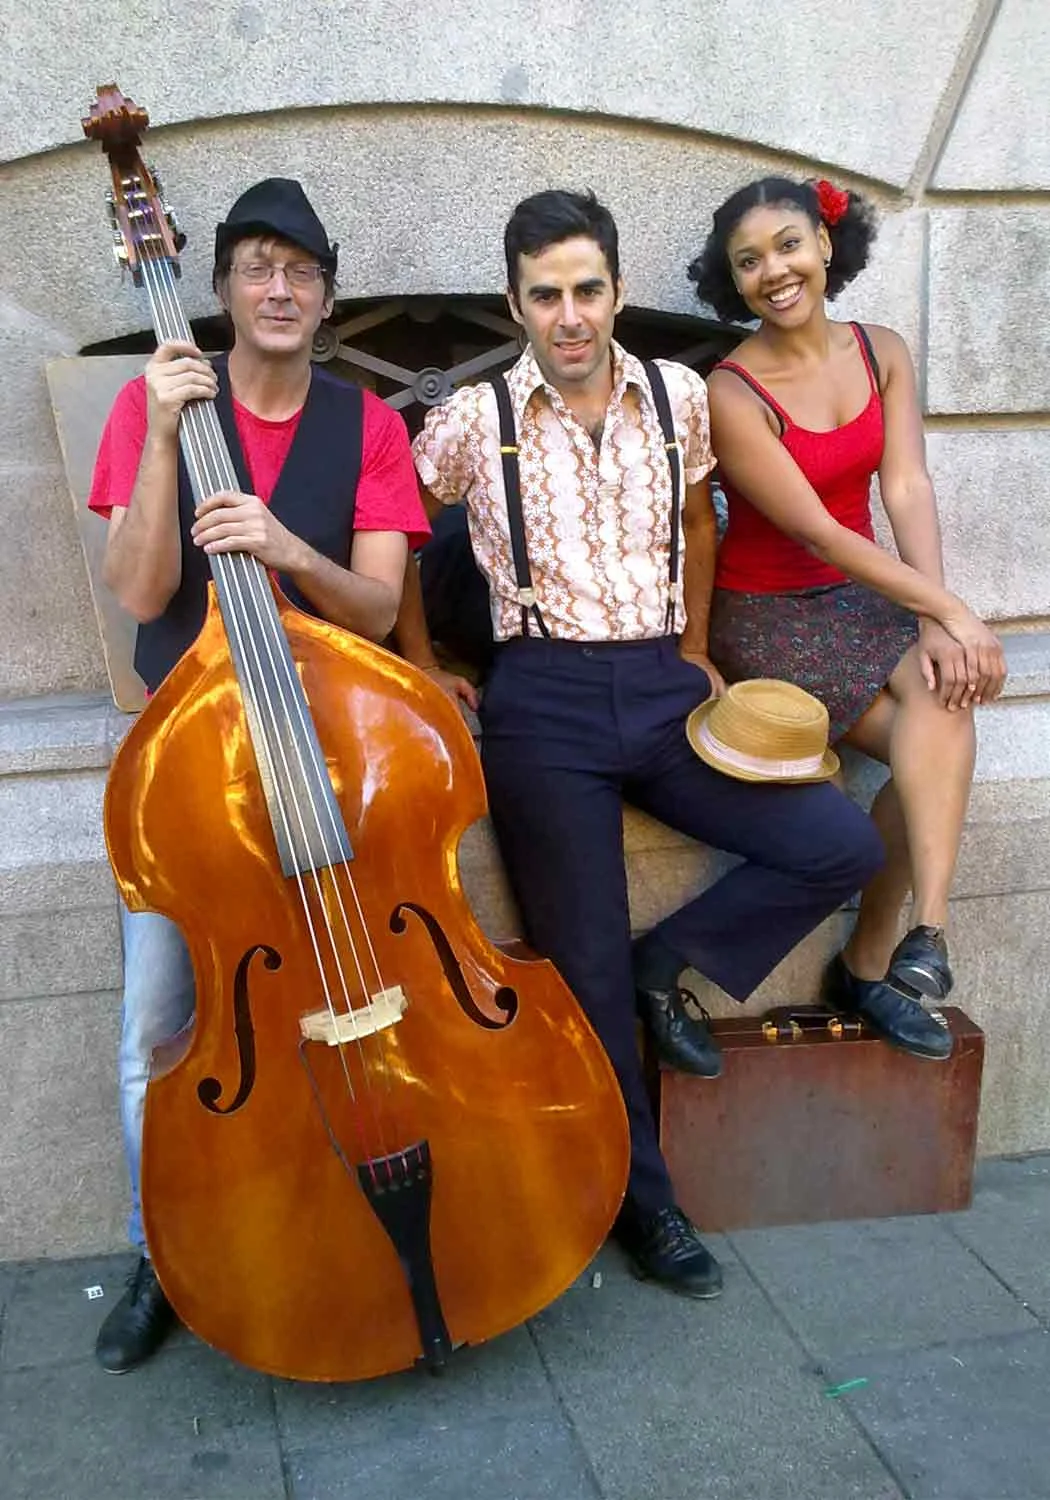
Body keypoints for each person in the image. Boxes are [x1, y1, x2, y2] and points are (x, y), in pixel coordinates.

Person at [411, 188, 884, 1299]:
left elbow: (700, 522)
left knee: (838, 846)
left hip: (664, 689)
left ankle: (663, 964)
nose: (569, 315)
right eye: (545, 295)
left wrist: (697, 644)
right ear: (515, 303)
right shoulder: (477, 421)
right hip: (542, 704)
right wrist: (426, 659)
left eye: (586, 289)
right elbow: (385, 522)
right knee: (578, 971)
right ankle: (645, 1204)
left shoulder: (680, 395)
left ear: (617, 290)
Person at [87, 178, 429, 1372]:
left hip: (328, 758)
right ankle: (158, 1255)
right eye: (255, 268)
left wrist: (286, 549)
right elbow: (136, 595)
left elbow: (380, 611)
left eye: (300, 270)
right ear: (219, 288)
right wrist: (169, 438)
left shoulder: (367, 424)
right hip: (186, 776)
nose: (278, 289)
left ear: (325, 297)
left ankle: (349, 1207)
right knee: (160, 1029)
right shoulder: (153, 402)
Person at [687, 176, 1007, 1060]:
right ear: (735, 283)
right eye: (748, 262)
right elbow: (816, 530)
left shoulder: (884, 352)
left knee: (944, 700)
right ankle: (885, 962)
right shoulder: (733, 389)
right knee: (930, 733)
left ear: (826, 246)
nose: (774, 271)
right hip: (767, 611)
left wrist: (941, 623)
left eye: (788, 245)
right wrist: (946, 607)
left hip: (866, 595)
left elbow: (904, 486)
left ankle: (915, 941)